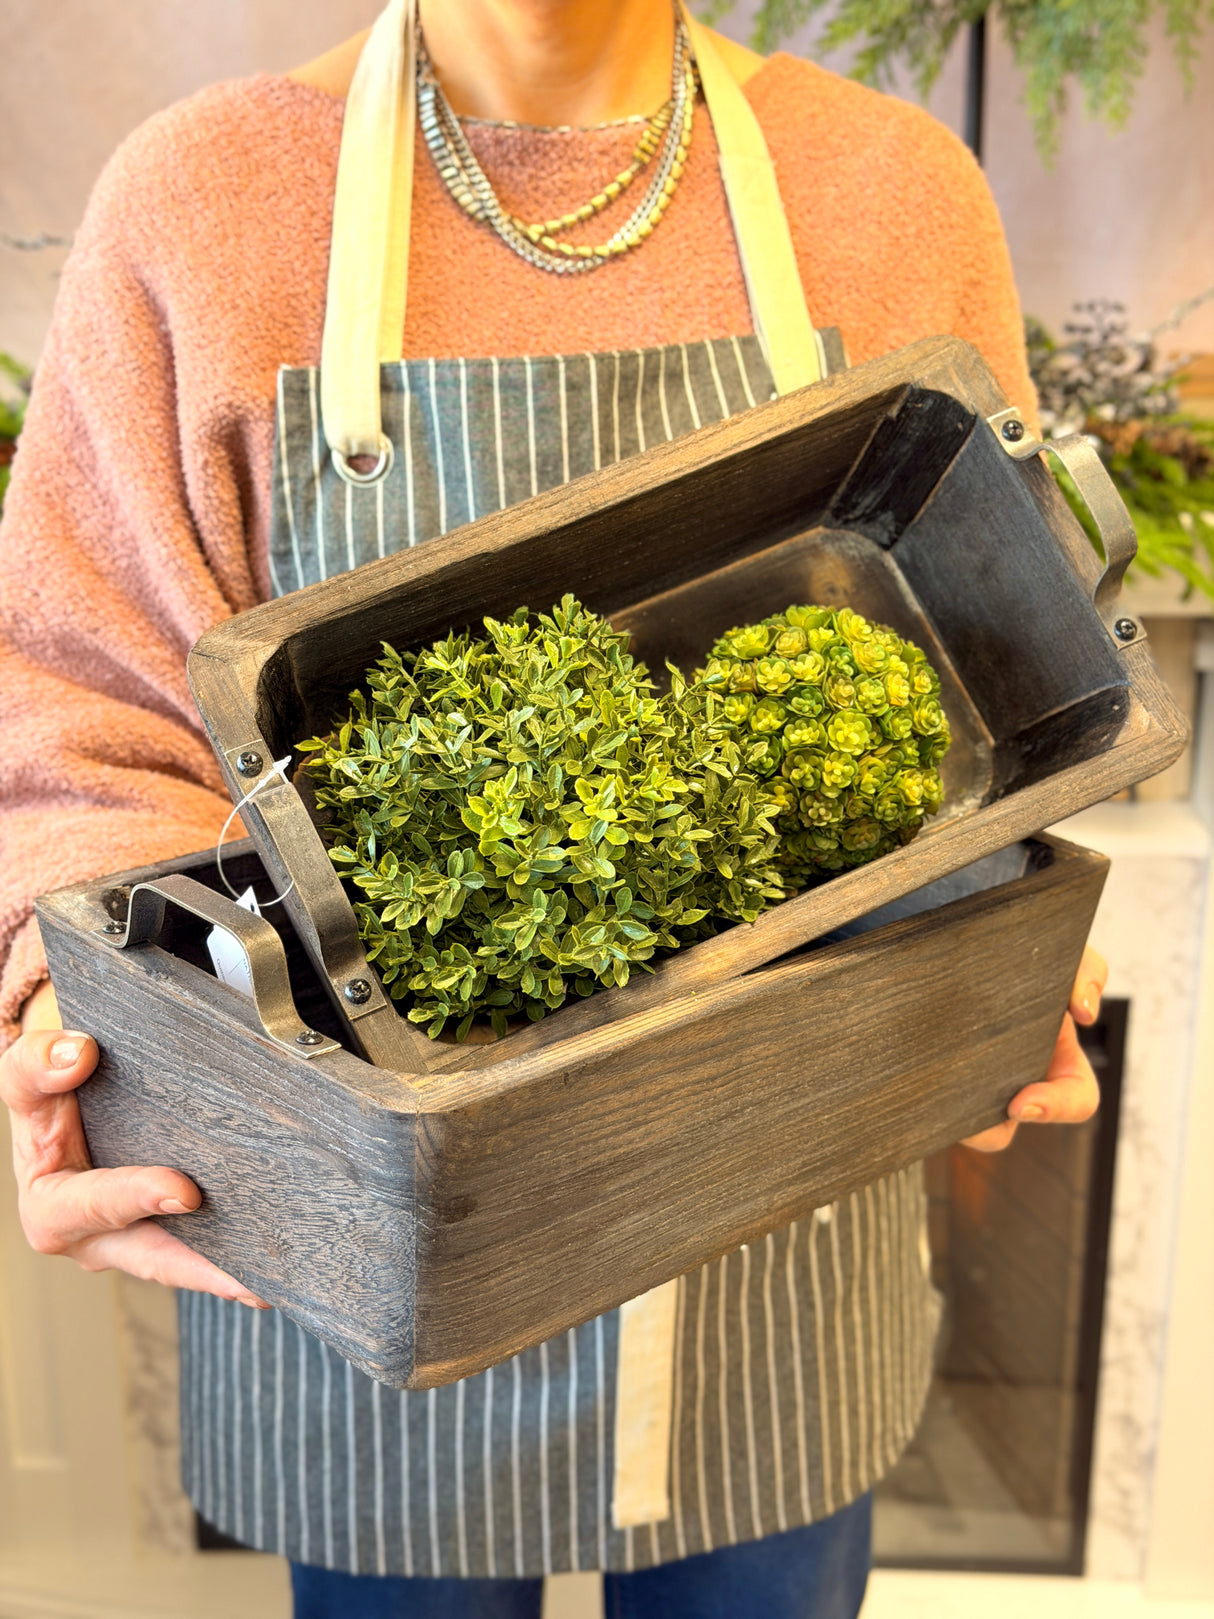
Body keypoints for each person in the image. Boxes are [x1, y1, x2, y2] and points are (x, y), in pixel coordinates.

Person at [0, 2, 1106, 1614]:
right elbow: (77, 719)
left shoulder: (885, 191)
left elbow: (1011, 668)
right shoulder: (208, 200)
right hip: (371, 1258)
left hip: (783, 1219)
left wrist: (1003, 949)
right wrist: (71, 1025)